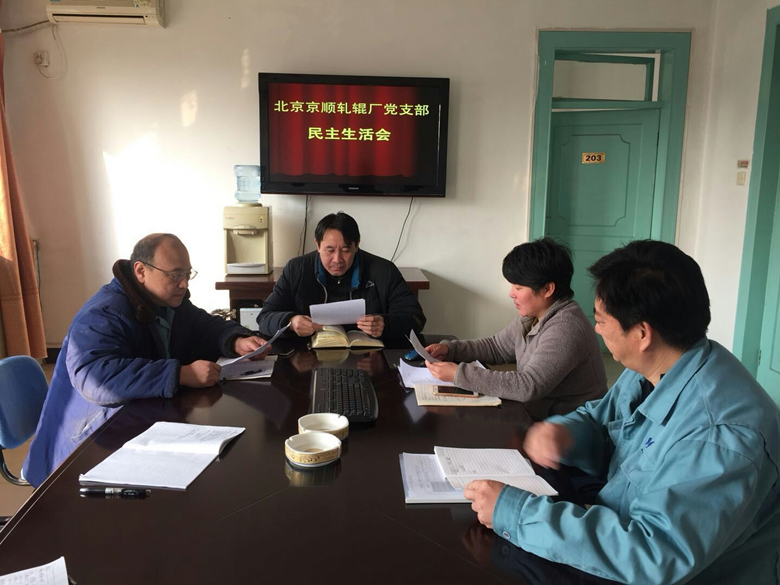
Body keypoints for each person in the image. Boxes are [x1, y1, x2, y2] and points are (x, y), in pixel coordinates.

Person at [464, 240, 780, 585]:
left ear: (642, 334)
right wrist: (565, 433)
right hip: (615, 527)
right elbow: (600, 417)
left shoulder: (720, 436)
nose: (596, 329)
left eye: (601, 320)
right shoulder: (655, 367)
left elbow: (654, 555)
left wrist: (515, 514)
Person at [23, 234, 270, 487]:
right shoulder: (104, 312)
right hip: (83, 448)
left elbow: (202, 325)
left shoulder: (166, 299)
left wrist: (235, 340)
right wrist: (179, 374)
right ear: (141, 271)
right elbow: (95, 378)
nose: (184, 283)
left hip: (136, 425)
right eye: (175, 275)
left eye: (187, 274)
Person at [424, 238, 606, 419]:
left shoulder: (566, 328)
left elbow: (528, 386)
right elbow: (496, 347)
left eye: (518, 288)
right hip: (539, 418)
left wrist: (458, 374)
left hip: (570, 427)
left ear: (547, 289)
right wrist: (451, 349)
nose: (511, 293)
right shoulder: (532, 316)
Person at [257, 212, 426, 344]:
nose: (337, 259)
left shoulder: (384, 271)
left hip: (368, 357)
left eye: (346, 250)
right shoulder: (296, 269)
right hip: (307, 355)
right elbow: (264, 318)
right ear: (317, 245)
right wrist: (290, 322)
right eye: (330, 250)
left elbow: (416, 319)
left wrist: (386, 324)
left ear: (357, 245)